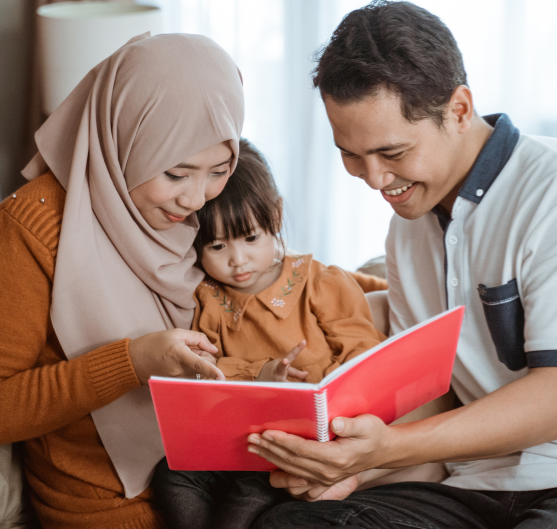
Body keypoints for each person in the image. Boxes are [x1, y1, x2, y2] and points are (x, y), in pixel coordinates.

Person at [248, 0, 557, 528]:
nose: (373, 179)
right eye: (350, 154)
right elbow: (433, 391)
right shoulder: (408, 227)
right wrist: (349, 466)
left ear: (459, 109)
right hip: (479, 479)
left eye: (392, 153)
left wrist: (388, 447)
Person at [0, 33, 244, 529]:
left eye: (219, 170)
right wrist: (131, 361)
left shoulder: (189, 210)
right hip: (118, 509)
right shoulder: (26, 231)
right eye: (175, 174)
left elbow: (271, 269)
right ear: (123, 138)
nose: (196, 198)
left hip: (225, 474)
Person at [153, 138, 386, 529]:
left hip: (299, 445)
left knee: (249, 495)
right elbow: (202, 370)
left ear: (274, 217)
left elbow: (364, 354)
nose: (238, 260)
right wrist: (258, 374)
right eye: (217, 246)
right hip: (235, 440)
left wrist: (327, 397)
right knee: (172, 475)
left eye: (250, 238)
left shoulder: (320, 283)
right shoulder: (207, 299)